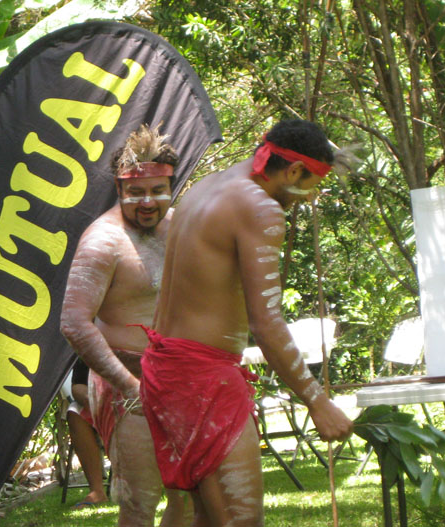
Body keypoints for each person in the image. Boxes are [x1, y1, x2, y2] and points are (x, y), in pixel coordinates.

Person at [139, 119, 355, 526]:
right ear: (293, 171)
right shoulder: (259, 207)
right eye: (313, 183)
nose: (311, 196)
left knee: (201, 516)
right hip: (200, 379)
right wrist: (317, 400)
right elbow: (266, 321)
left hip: (168, 370)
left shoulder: (209, 184)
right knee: (240, 519)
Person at [61, 124, 192, 527]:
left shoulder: (181, 227)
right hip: (130, 388)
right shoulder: (104, 240)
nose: (148, 201)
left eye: (157, 189)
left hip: (183, 381)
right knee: (139, 505)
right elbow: (74, 323)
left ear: (172, 186)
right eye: (136, 192)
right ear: (120, 190)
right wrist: (129, 385)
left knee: (187, 498)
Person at [65, 358, 108, 508]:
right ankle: (97, 491)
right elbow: (77, 386)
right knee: (74, 413)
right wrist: (90, 399)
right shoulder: (89, 342)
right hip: (101, 404)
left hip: (135, 399)